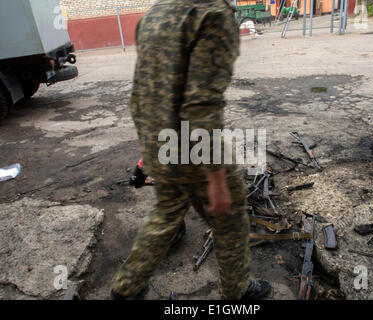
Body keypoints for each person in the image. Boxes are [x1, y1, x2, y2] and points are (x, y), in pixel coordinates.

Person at [110, 0, 271, 300]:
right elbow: (201, 106)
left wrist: (148, 149)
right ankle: (237, 292)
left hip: (160, 142)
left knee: (166, 214)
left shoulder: (156, 13)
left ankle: (126, 290)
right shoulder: (213, 14)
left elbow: (139, 92)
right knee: (231, 220)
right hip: (193, 147)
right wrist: (217, 179)